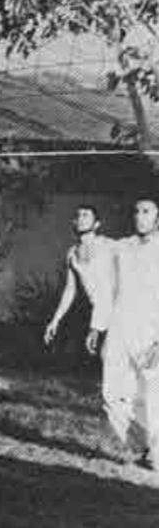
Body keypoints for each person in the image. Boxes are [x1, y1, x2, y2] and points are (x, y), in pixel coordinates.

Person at [90, 198, 159, 470]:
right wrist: (98, 327)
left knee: (153, 395)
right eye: (137, 211)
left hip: (151, 331)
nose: (140, 216)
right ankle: (143, 445)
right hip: (119, 328)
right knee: (111, 397)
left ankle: (157, 453)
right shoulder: (122, 248)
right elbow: (108, 289)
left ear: (157, 218)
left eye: (147, 211)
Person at [43, 205, 117, 354]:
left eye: (86, 215)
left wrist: (95, 328)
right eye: (78, 215)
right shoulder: (72, 254)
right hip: (99, 314)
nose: (81, 219)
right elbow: (70, 290)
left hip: (118, 311)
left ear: (97, 224)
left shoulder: (107, 246)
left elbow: (106, 291)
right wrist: (55, 320)